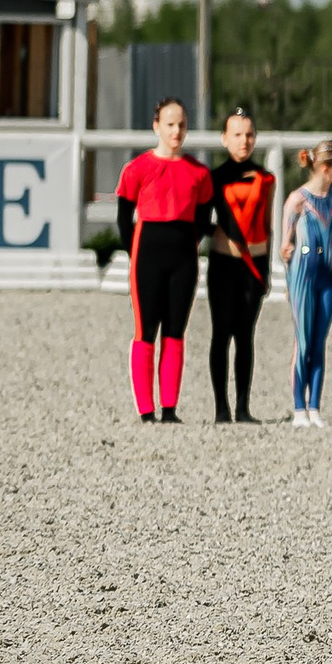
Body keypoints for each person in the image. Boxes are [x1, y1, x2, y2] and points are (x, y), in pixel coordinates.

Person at [116, 98, 213, 424]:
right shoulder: (137, 168)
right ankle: (146, 410)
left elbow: (203, 219)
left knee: (175, 330)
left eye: (182, 125)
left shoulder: (199, 172)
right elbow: (123, 218)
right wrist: (134, 254)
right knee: (146, 330)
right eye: (170, 124)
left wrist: (188, 247)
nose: (176, 131)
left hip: (184, 257)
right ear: (156, 126)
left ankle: (169, 408)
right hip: (147, 256)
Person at [203, 108, 276, 424]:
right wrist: (217, 232)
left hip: (253, 266)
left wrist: (267, 269)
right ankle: (221, 408)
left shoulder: (265, 178)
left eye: (249, 134)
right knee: (221, 334)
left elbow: (268, 224)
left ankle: (244, 407)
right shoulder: (213, 177)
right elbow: (200, 220)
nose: (243, 141)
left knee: (245, 335)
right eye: (237, 134)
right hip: (223, 264)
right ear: (224, 139)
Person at [279, 141, 332, 428]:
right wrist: (289, 281)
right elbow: (285, 248)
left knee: (320, 341)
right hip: (303, 276)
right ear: (325, 168)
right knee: (304, 341)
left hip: (328, 275)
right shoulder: (297, 199)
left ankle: (315, 406)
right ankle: (299, 407)